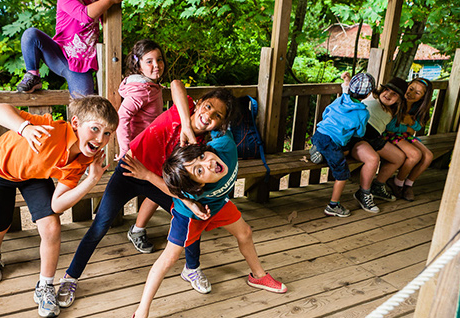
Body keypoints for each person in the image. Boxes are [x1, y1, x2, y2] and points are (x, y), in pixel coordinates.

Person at [56, 80, 235, 311]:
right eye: (208, 106)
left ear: (220, 124)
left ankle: (191, 268)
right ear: (199, 103)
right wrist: (187, 127)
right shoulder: (185, 107)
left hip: (155, 181)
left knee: (191, 220)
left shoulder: (202, 148)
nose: (209, 114)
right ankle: (70, 277)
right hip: (129, 169)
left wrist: (189, 202)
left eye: (218, 115)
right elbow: (177, 84)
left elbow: (177, 184)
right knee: (100, 225)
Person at [0, 96, 118, 318]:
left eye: (108, 133)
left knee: (52, 227)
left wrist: (92, 180)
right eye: (95, 129)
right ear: (75, 124)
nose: (100, 139)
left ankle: (45, 286)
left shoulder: (83, 159)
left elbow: (57, 204)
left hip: (35, 175)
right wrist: (24, 128)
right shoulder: (50, 129)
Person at [130, 132, 287, 318]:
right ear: (197, 187)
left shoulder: (224, 145)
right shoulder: (190, 193)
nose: (208, 163)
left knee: (244, 232)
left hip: (218, 204)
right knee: (168, 259)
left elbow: (222, 117)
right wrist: (148, 175)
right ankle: (142, 311)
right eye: (199, 170)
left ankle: (258, 276)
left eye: (202, 156)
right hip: (189, 215)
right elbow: (172, 190)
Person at [115, 39, 169, 254]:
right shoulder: (143, 89)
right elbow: (122, 116)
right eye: (149, 61)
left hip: (153, 149)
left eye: (159, 60)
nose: (156, 65)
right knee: (159, 185)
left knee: (160, 184)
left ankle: (138, 228)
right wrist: (125, 150)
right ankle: (137, 229)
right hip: (139, 153)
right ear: (138, 65)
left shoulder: (148, 86)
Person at [17, 0, 121, 97]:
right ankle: (33, 75)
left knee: (85, 105)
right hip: (60, 55)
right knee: (30, 35)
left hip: (82, 65)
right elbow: (84, 15)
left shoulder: (94, 2)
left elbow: (107, 21)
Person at [309, 72, 376, 217]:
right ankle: (333, 205)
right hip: (332, 142)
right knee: (342, 174)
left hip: (319, 134)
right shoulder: (363, 113)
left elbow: (326, 113)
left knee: (342, 151)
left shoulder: (341, 99)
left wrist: (346, 79)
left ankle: (319, 151)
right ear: (368, 94)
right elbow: (360, 132)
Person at [344, 74, 409, 202]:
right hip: (359, 136)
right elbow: (351, 93)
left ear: (400, 100)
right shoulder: (370, 96)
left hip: (375, 138)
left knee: (399, 157)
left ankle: (377, 186)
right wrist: (347, 81)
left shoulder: (393, 111)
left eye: (394, 94)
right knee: (374, 159)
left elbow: (392, 127)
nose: (388, 95)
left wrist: (408, 127)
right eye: (386, 90)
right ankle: (363, 192)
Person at [384, 78, 434, 201]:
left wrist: (409, 122)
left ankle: (408, 184)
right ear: (407, 85)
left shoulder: (418, 107)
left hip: (403, 136)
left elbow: (417, 126)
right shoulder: (397, 101)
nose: (411, 94)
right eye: (411, 89)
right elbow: (390, 126)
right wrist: (408, 128)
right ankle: (397, 182)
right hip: (389, 135)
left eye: (417, 93)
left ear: (422, 98)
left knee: (428, 156)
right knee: (415, 154)